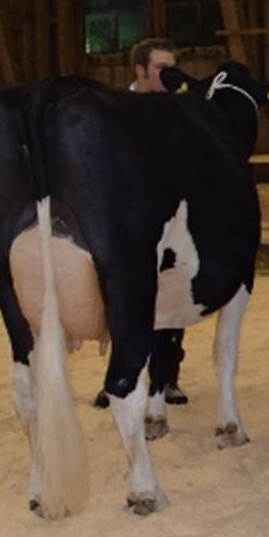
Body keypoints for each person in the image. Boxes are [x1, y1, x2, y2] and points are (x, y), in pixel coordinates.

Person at [97, 38, 190, 408]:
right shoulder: (114, 110)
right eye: (161, 69)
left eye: (173, 68)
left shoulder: (179, 111)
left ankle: (167, 377)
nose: (170, 76)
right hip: (125, 219)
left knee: (173, 297)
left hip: (172, 220)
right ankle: (118, 377)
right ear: (140, 70)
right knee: (122, 301)